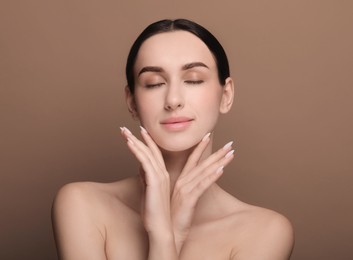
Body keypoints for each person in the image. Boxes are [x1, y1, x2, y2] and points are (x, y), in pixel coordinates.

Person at [52, 18, 294, 260]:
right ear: (132, 102)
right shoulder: (82, 205)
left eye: (194, 79)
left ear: (226, 95)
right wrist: (168, 235)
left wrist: (168, 235)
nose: (173, 99)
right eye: (154, 83)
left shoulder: (265, 232)